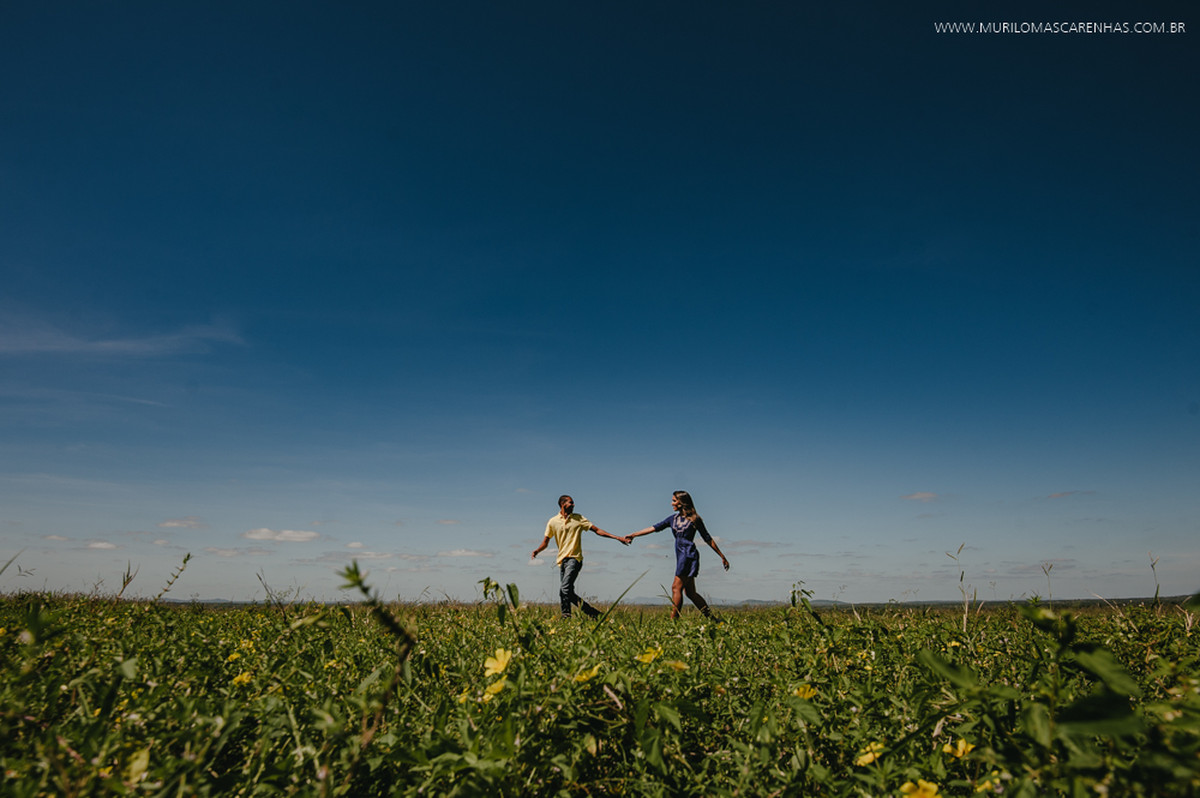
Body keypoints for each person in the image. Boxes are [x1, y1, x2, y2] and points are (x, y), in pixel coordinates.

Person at [623, 490, 729, 620]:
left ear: (682, 502)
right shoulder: (672, 519)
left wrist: (721, 556)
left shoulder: (695, 519)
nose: (671, 503)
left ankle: (673, 622)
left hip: (688, 554)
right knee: (690, 593)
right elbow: (653, 528)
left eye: (674, 501)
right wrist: (634, 534)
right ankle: (713, 619)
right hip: (681, 555)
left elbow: (707, 538)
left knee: (675, 587)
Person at [531, 494, 629, 619]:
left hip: (575, 559)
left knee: (564, 589)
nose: (573, 505)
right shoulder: (553, 522)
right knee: (567, 592)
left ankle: (567, 616)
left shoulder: (579, 518)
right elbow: (546, 542)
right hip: (561, 561)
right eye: (571, 503)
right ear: (563, 504)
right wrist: (537, 550)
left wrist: (617, 537)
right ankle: (595, 615)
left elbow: (597, 530)